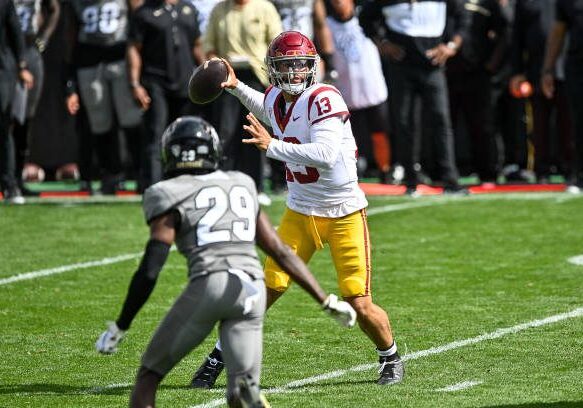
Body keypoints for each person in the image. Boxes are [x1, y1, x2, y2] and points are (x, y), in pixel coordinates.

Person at [191, 30, 404, 388]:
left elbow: (324, 155)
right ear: (274, 68)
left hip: (343, 213)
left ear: (312, 67)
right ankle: (217, 357)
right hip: (301, 211)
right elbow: (270, 111)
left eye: (299, 65)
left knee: (358, 302)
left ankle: (390, 356)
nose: (293, 73)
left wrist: (272, 146)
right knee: (264, 289)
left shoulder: (325, 97)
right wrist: (234, 86)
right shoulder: (278, 97)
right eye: (286, 65)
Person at [107, 116, 356, 408]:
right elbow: (281, 251)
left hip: (211, 284)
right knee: (238, 392)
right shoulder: (241, 183)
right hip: (252, 291)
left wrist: (121, 326)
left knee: (148, 377)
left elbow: (151, 269)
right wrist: (326, 300)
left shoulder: (165, 193)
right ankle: (245, 393)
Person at [359, 0, 467, 195]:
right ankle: (411, 181)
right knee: (404, 122)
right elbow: (365, 18)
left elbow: (463, 18)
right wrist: (383, 44)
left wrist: (451, 46)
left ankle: (450, 180)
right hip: (401, 67)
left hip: (433, 66)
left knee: (441, 120)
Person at [203, 0, 283, 206]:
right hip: (227, 78)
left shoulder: (264, 8)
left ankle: (256, 187)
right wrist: (217, 65)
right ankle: (223, 186)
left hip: (257, 76)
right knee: (225, 133)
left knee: (255, 132)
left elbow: (276, 44)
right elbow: (209, 47)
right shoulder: (219, 10)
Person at [63, 0, 144, 195]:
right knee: (100, 123)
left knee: (131, 120)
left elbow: (140, 16)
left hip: (120, 60)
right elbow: (70, 34)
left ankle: (141, 174)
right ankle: (110, 174)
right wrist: (69, 77)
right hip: (89, 63)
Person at [128, 0, 204, 192]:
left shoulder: (188, 9)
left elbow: (196, 45)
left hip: (186, 82)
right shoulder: (144, 12)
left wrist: (206, 71)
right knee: (156, 135)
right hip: (156, 82)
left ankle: (185, 182)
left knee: (186, 134)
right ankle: (154, 186)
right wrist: (135, 84)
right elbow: (134, 49)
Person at [325, 0, 392, 183]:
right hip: (345, 89)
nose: (340, 5)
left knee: (379, 132)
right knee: (349, 136)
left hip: (372, 86)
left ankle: (385, 170)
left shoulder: (366, 19)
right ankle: (353, 171)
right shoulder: (326, 25)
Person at [510, 0, 573, 184]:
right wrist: (517, 71)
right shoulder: (526, 3)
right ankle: (541, 169)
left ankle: (570, 168)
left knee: (568, 123)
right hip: (536, 70)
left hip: (567, 68)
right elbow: (517, 37)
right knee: (538, 125)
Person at [446, 0, 507, 183]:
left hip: (478, 72)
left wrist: (491, 65)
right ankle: (443, 172)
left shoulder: (488, 3)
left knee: (482, 125)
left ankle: (488, 172)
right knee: (445, 124)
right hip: (445, 71)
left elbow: (504, 32)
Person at [12, 0, 60, 197]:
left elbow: (54, 8)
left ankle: (15, 178)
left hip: (29, 46)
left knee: (25, 119)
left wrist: (44, 38)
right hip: (5, 49)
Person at [541, 0, 583, 191]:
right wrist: (548, 69)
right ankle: (579, 175)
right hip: (578, 65)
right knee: (578, 123)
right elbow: (558, 30)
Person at [0, 0, 34, 204]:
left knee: (3, 127)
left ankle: (10, 184)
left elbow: (16, 34)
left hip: (3, 70)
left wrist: (22, 66)